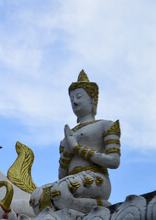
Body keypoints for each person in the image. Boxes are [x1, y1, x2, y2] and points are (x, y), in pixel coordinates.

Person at [30, 70, 121, 214]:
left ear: (92, 100)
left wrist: (78, 148)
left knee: (59, 191)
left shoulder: (106, 125)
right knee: (38, 197)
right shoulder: (68, 135)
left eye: (79, 97)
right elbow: (62, 176)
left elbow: (114, 161)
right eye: (72, 99)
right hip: (72, 180)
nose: (75, 101)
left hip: (96, 178)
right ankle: (85, 206)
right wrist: (66, 153)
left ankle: (95, 205)